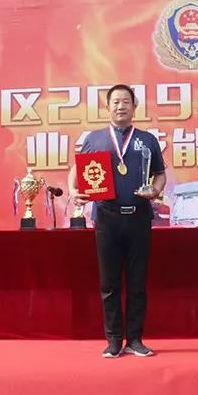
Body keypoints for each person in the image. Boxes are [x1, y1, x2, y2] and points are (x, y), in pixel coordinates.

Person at [68, 84, 166, 358]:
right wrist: (74, 190)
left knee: (137, 282)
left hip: (138, 218)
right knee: (109, 283)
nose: (121, 106)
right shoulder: (95, 138)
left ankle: (135, 339)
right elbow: (77, 169)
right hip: (106, 218)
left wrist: (155, 190)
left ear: (134, 107)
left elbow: (160, 174)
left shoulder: (147, 139)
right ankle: (113, 339)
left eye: (126, 101)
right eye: (116, 102)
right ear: (107, 107)